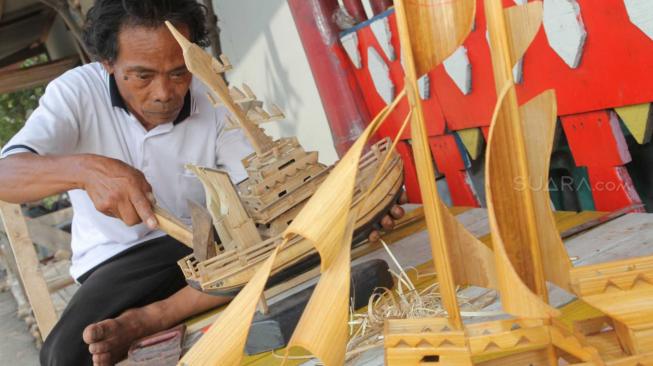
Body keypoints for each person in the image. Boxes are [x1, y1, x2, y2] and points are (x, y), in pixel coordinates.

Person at [0, 1, 404, 365]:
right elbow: (6, 174)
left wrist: (343, 214)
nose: (164, 93)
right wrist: (87, 170)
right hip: (118, 264)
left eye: (178, 73)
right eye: (141, 76)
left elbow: (265, 202)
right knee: (62, 356)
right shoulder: (76, 93)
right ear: (107, 63)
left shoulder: (213, 97)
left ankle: (154, 317)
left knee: (290, 242)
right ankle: (156, 311)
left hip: (208, 249)